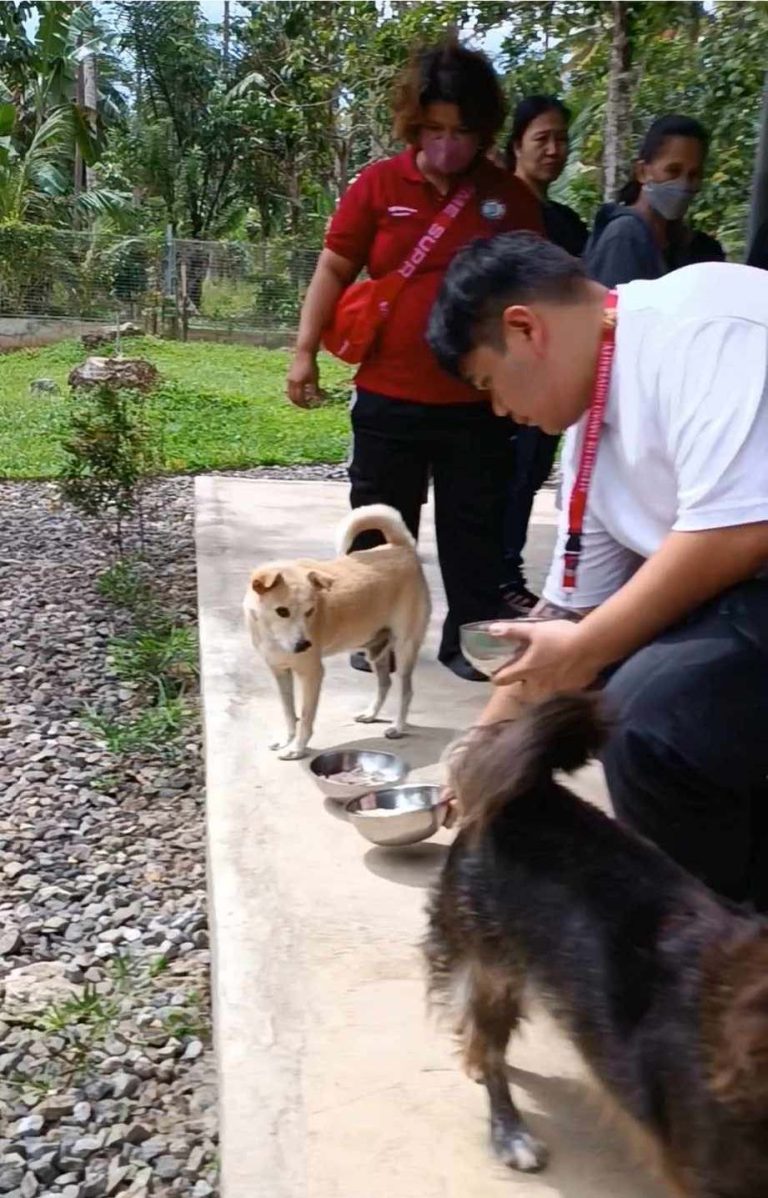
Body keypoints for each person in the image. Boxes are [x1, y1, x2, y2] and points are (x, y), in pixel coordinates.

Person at [428, 232, 768, 910]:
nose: (500, 411)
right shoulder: (592, 428)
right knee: (623, 680)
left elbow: (742, 529)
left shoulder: (702, 323)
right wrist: (476, 753)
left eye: (489, 384)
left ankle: (730, 960)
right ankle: (729, 936)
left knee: (649, 710)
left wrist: (586, 647)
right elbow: (565, 621)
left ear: (523, 330)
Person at [286, 39, 543, 681]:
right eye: (434, 129)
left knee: (473, 534)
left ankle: (472, 645)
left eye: (462, 131)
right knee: (378, 535)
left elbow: (535, 297)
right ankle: (375, 639)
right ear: (413, 124)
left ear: (483, 132)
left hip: (477, 406)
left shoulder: (508, 198)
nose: (448, 144)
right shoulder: (378, 185)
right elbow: (335, 266)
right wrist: (304, 351)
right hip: (388, 400)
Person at [501, 95, 588, 615]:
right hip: (507, 370)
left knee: (529, 474)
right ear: (517, 146)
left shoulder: (565, 221)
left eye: (561, 139)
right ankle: (495, 575)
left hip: (552, 375)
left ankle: (505, 572)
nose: (554, 150)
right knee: (499, 478)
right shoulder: (495, 210)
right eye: (542, 139)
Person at [585, 114, 720, 287]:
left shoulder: (686, 243)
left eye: (694, 175)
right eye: (673, 171)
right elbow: (613, 310)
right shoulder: (624, 235)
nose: (683, 183)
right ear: (642, 172)